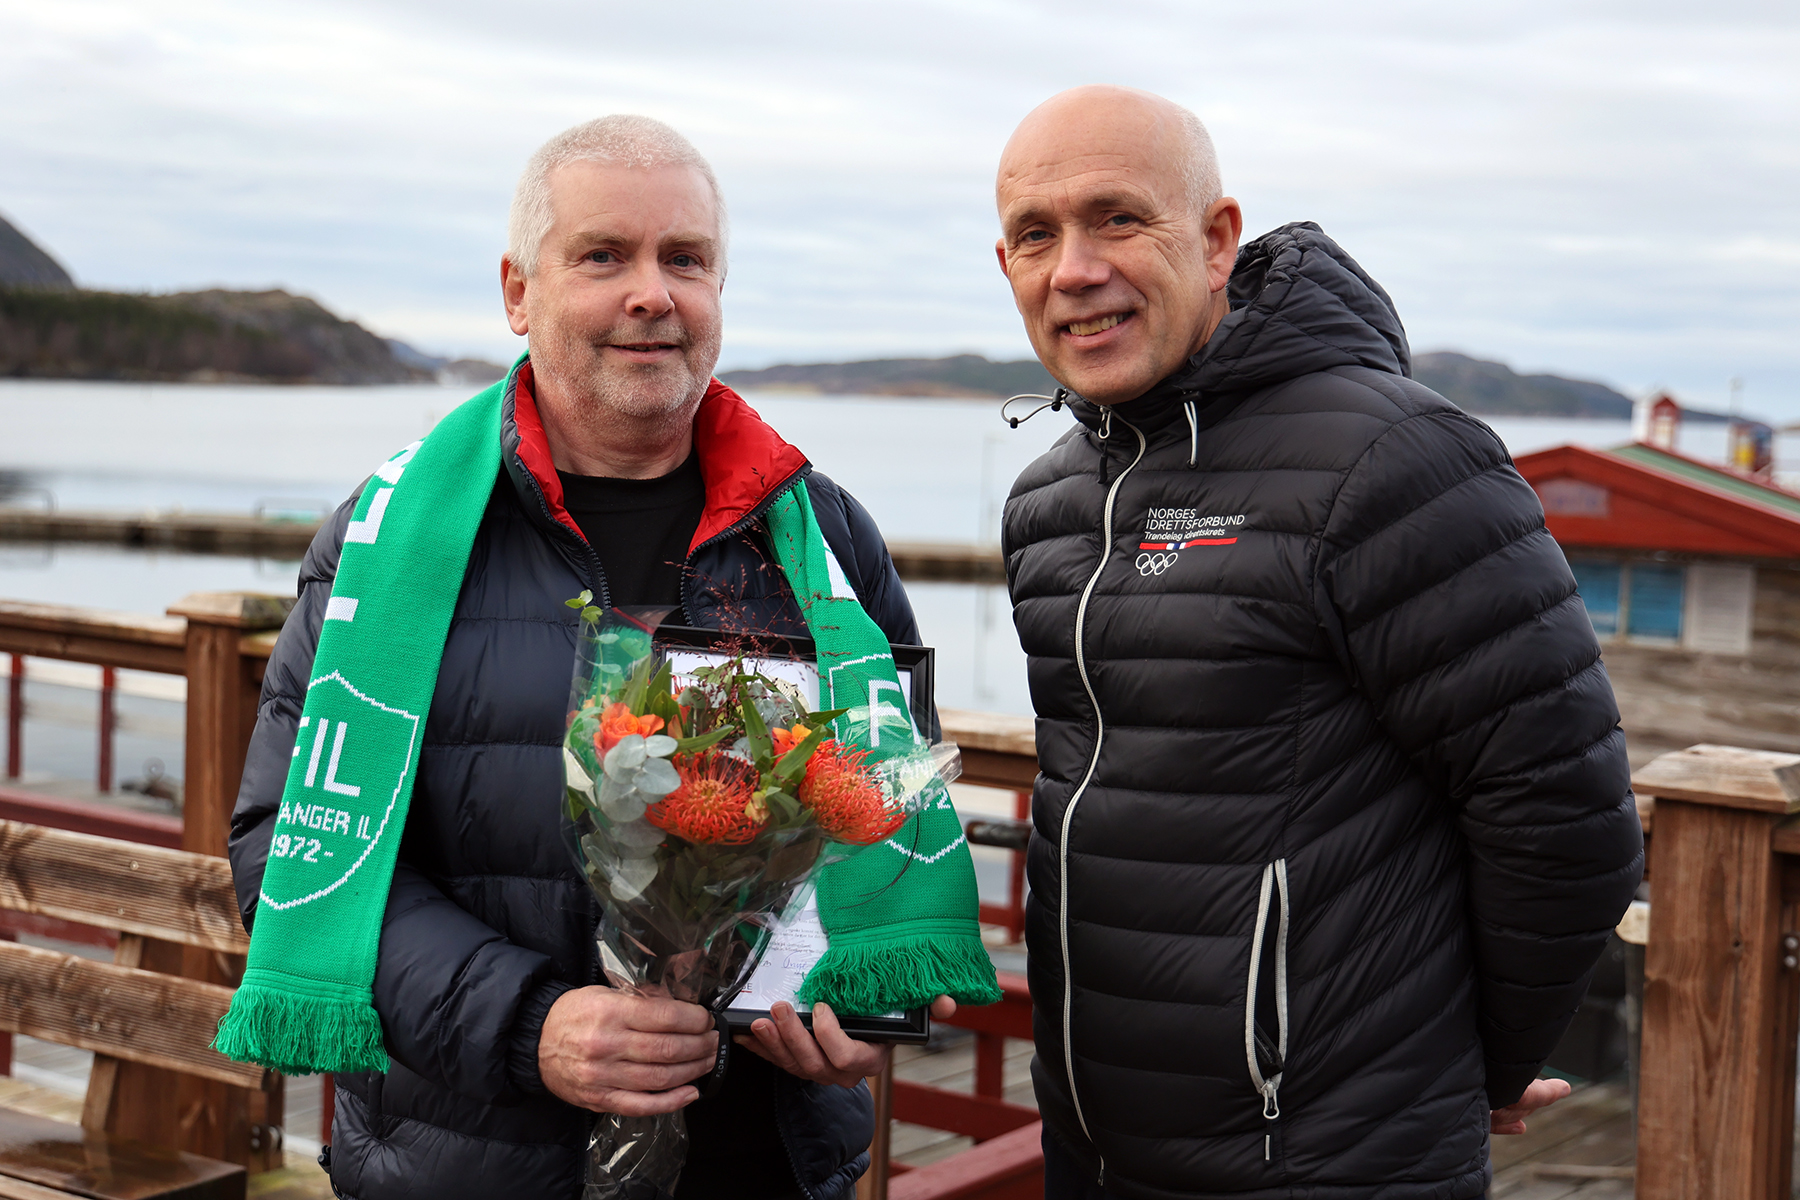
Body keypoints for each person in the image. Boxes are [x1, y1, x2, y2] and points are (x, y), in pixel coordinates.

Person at [227, 115, 953, 1200]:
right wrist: (531, 1024)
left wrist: (868, 996)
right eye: (603, 255)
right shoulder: (390, 542)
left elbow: (889, 806)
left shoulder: (824, 539)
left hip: (756, 1159)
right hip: (469, 1157)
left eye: (687, 260)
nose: (652, 293)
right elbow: (291, 844)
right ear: (519, 292)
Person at [994, 86, 1643, 1199]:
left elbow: (1562, 814)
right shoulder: (1050, 502)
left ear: (1215, 241)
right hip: (1097, 1149)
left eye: (1117, 218)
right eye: (1035, 235)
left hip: (1328, 1160)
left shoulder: (1395, 459)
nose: (1075, 270)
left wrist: (1470, 1062)